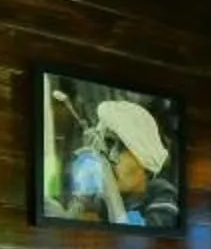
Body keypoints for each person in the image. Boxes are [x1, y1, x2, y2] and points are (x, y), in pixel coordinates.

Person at [58, 92, 179, 227]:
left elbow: (136, 243)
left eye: (119, 147)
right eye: (107, 144)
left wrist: (109, 185)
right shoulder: (103, 198)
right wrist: (82, 198)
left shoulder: (162, 194)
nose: (110, 157)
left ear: (144, 158)